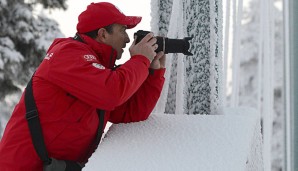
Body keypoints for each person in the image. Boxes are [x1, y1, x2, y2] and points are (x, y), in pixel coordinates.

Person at [0, 2, 165, 170]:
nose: (128, 39)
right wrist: (140, 60)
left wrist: (153, 73)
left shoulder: (96, 74)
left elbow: (130, 113)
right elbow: (111, 92)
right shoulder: (68, 53)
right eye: (122, 30)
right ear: (102, 34)